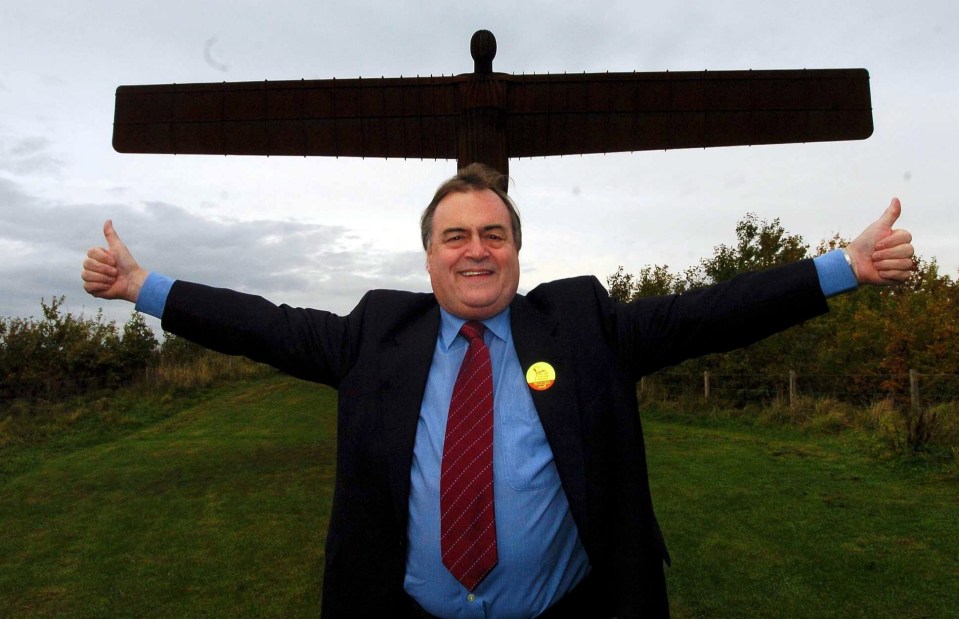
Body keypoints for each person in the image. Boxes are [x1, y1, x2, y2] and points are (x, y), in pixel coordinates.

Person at [82, 164, 915, 618]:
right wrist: (144, 285)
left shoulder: (583, 325)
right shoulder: (374, 334)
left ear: (516, 250)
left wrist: (844, 266)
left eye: (493, 234)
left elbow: (709, 313)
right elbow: (260, 322)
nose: (474, 250)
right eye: (455, 236)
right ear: (430, 256)